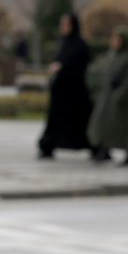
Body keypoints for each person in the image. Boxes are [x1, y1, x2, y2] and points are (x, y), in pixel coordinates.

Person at [37, 13, 92, 159]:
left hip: (74, 92)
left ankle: (95, 146)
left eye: (66, 24)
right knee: (56, 121)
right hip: (61, 92)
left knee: (80, 122)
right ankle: (48, 146)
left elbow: (80, 65)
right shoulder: (64, 43)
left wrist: (62, 67)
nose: (63, 27)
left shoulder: (79, 44)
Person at [88, 26, 128, 166]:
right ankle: (104, 150)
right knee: (105, 125)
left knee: (125, 129)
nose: (115, 42)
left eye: (118, 39)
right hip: (108, 97)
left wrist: (121, 94)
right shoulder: (112, 55)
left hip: (125, 99)